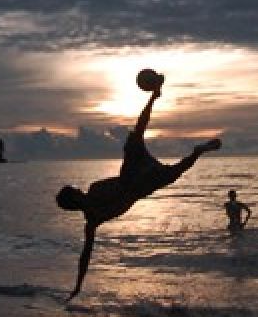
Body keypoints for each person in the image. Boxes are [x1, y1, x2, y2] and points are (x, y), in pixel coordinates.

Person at [56, 78, 222, 300]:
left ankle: (154, 98)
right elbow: (85, 256)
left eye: (75, 189)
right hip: (141, 179)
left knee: (139, 137)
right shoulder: (93, 214)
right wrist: (77, 286)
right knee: (174, 166)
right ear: (74, 201)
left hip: (138, 177)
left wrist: (133, 161)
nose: (78, 189)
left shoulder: (93, 210)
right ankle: (197, 151)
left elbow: (121, 182)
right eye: (75, 191)